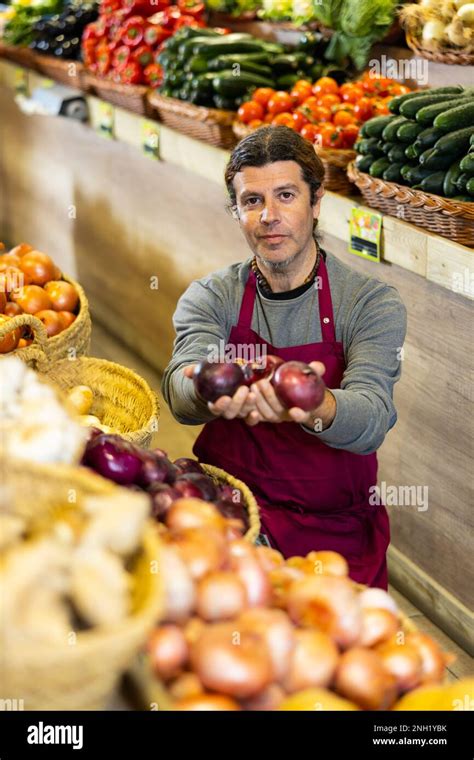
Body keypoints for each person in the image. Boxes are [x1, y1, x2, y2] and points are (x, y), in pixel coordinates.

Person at [162, 126, 407, 589]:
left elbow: (373, 418)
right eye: (252, 201)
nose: (269, 216)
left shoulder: (370, 303)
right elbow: (177, 390)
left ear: (316, 205)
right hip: (237, 522)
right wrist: (202, 386)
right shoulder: (213, 297)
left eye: (287, 195)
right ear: (237, 212)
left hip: (338, 538)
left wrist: (318, 406)